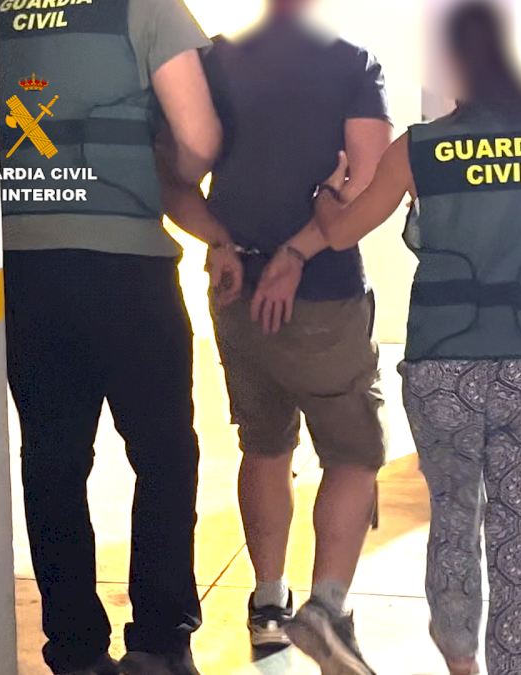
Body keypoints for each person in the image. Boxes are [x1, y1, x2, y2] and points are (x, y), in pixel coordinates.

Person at [299, 3, 521, 673]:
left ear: (454, 63)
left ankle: (461, 666)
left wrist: (325, 193)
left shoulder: (420, 148)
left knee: (454, 519)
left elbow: (341, 231)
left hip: (442, 369)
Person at [157, 0, 391, 672]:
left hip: (236, 290)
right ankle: (327, 611)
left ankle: (267, 607)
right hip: (324, 295)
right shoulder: (351, 65)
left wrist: (223, 242)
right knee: (353, 453)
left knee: (263, 445)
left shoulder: (211, 62)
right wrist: (298, 252)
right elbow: (367, 182)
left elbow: (171, 177)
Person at [0, 0, 220, 673]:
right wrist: (169, 171)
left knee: (53, 462)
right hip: (126, 268)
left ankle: (74, 647)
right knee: (164, 454)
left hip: (20, 268)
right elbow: (199, 138)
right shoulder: (145, 7)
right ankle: (158, 642)